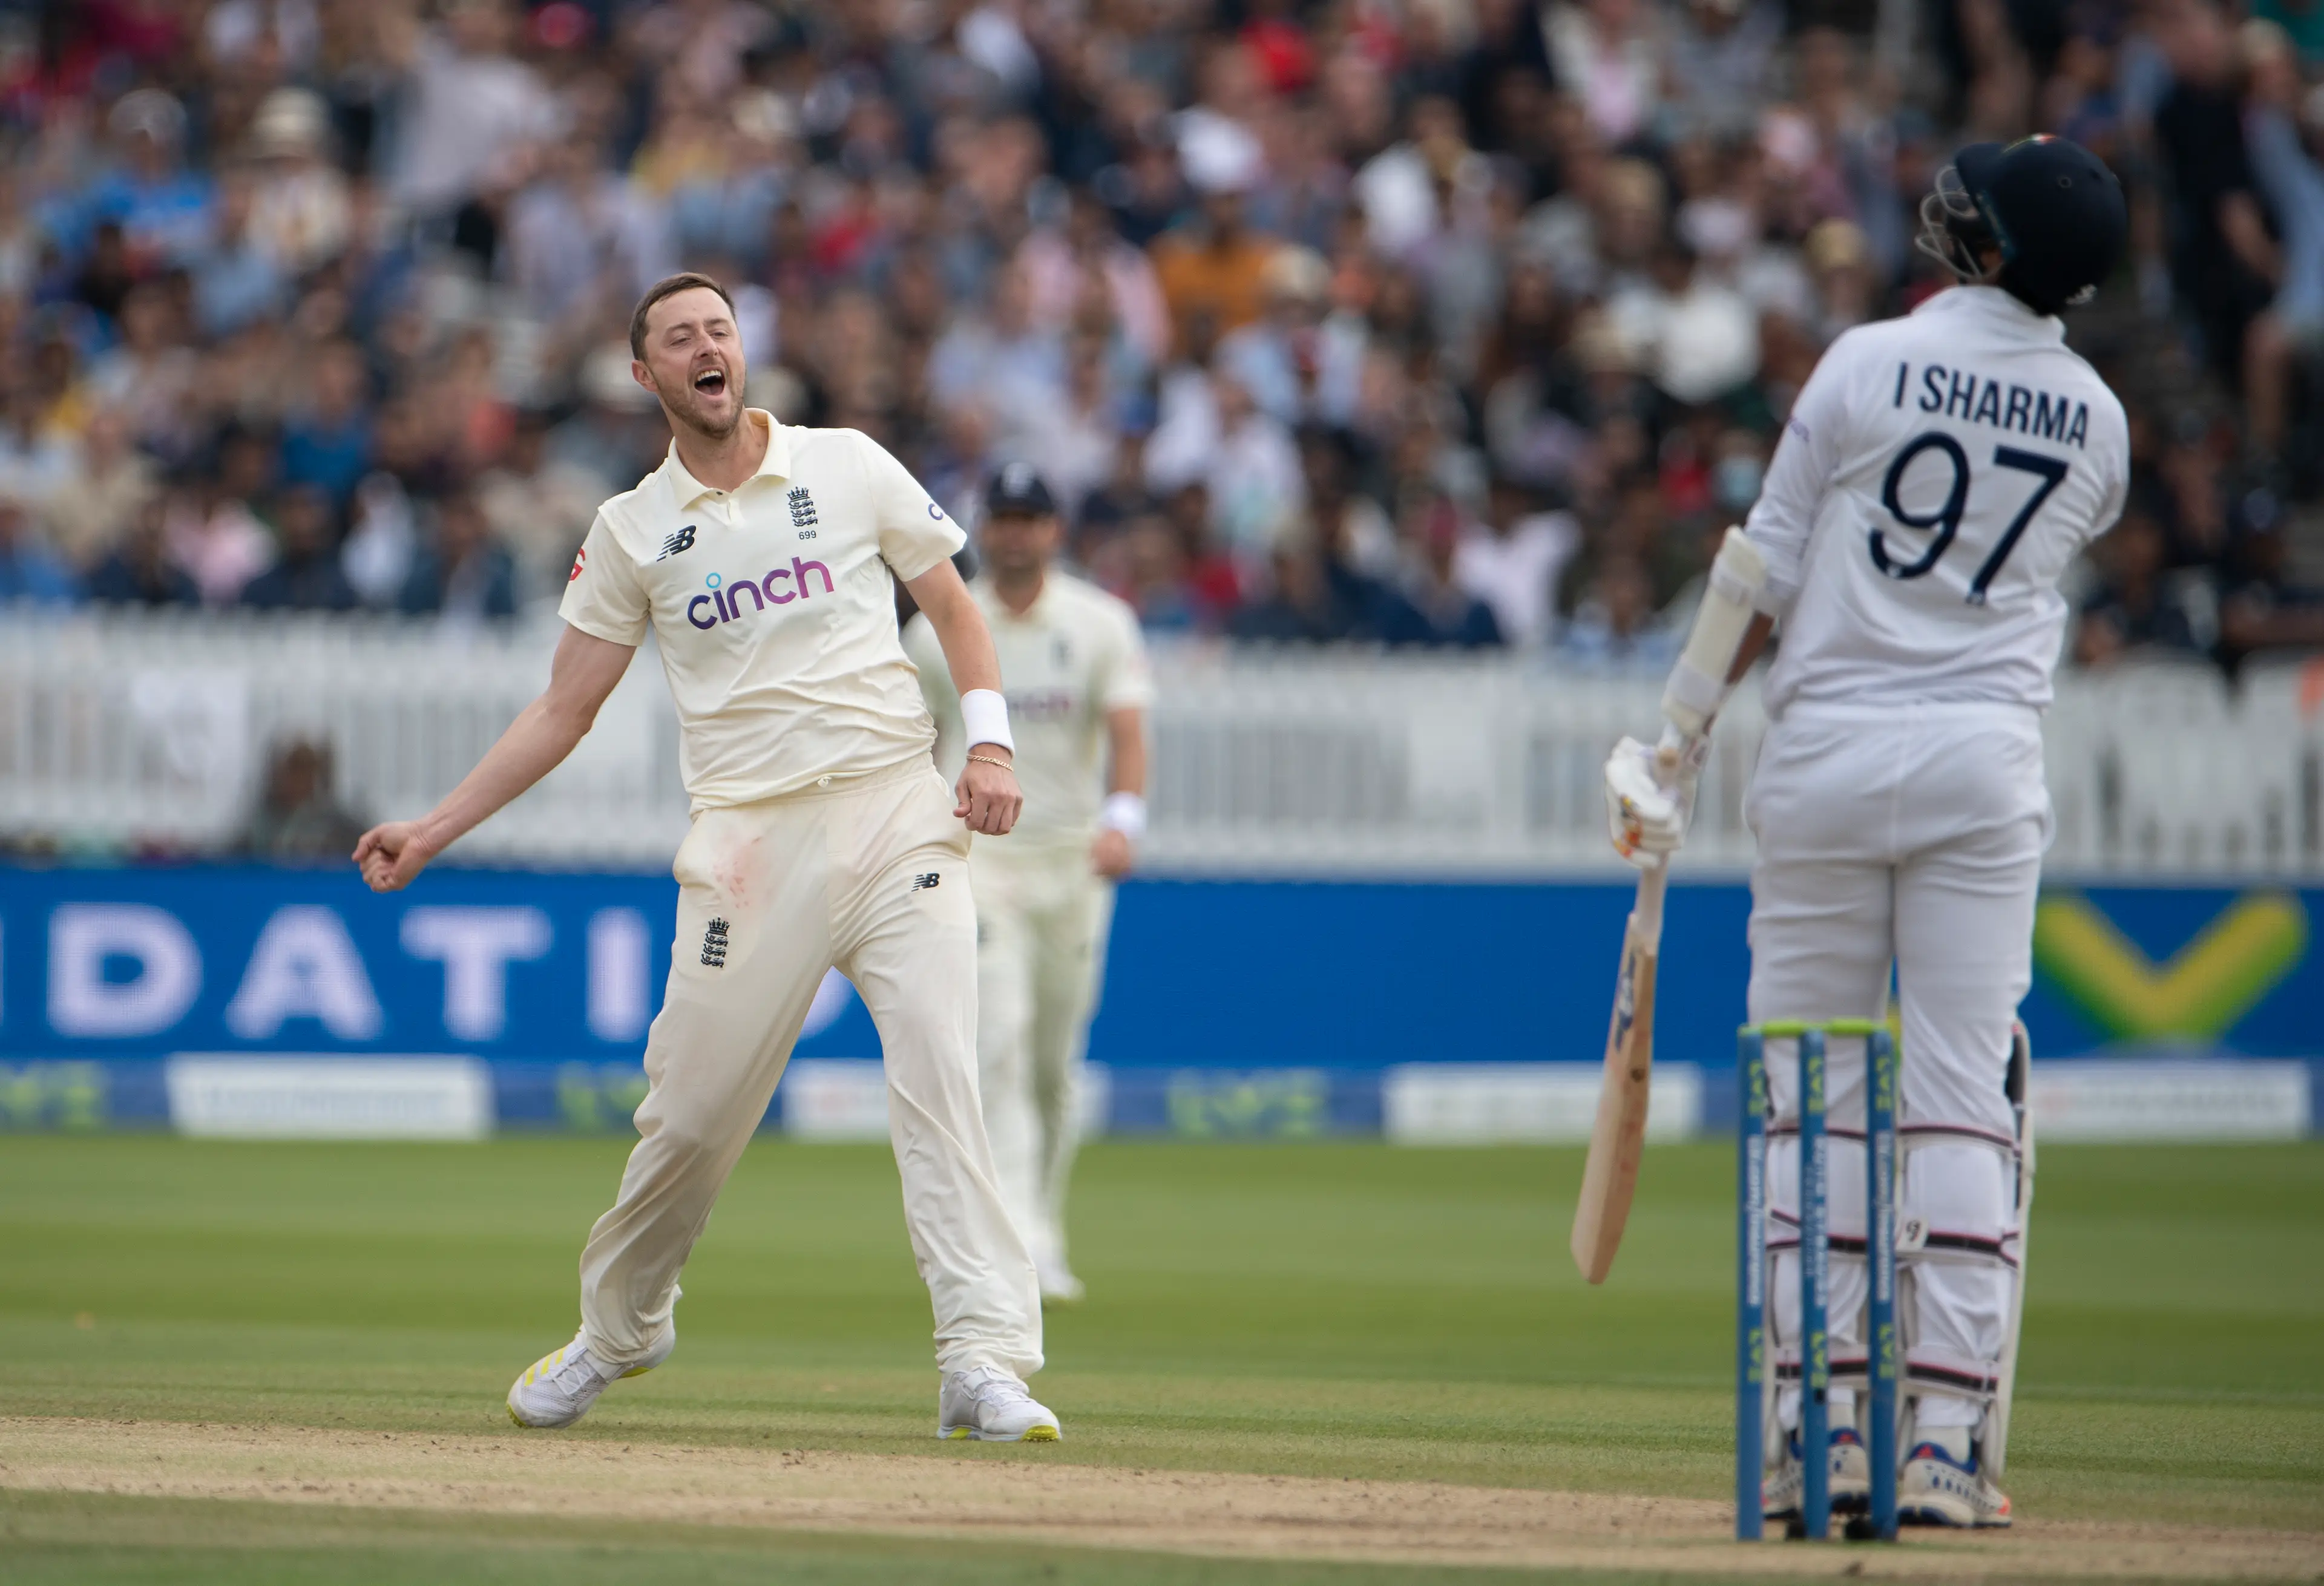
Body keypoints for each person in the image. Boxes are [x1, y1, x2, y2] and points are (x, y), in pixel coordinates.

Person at [350, 273, 1059, 1444]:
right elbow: (561, 711)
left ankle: (981, 1360)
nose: (705, 348)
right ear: (648, 377)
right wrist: (433, 830)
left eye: (720, 330)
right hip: (748, 847)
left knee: (944, 1081)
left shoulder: (848, 464)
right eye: (679, 339)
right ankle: (622, 1330)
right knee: (689, 1119)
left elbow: (954, 606)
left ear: (744, 353)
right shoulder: (631, 532)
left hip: (895, 810)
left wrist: (988, 747)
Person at [1600, 137, 2130, 1530]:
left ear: (1995, 248)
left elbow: (1757, 562)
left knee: (1810, 1095)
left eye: (1976, 207)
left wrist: (1674, 743)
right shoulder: (2101, 423)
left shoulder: (1864, 363)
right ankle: (1947, 1438)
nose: (1946, 206)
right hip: (1982, 763)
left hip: (1828, 750)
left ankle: (1815, 1432)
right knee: (1963, 1093)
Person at [902, 465, 1152, 1303]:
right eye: (1001, 519)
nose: (1014, 534)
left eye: (1029, 519)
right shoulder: (941, 622)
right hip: (978, 862)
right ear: (984, 528)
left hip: (1071, 866)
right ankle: (1019, 1243)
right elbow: (914, 738)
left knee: (1053, 1063)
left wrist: (1126, 820)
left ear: (1054, 530)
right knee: (998, 1044)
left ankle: (1044, 1225)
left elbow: (1126, 731)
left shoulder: (1097, 623)